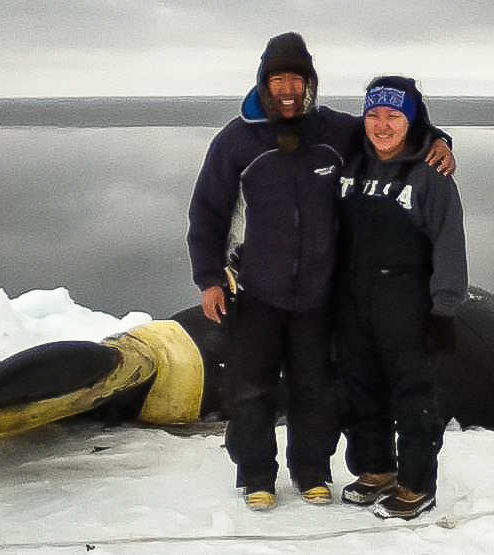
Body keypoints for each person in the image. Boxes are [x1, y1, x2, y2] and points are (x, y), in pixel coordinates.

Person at [187, 33, 455, 511]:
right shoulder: (236, 140)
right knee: (251, 390)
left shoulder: (333, 131)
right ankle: (256, 477)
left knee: (317, 389)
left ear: (309, 83)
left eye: (296, 78)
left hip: (316, 296)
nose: (288, 88)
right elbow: (208, 212)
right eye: (278, 78)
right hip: (257, 292)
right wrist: (208, 278)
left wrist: (438, 140)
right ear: (265, 83)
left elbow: (391, 130)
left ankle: (311, 471)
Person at [334, 76, 468, 520]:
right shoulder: (350, 164)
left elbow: (449, 241)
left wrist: (444, 309)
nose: (382, 125)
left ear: (412, 121)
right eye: (373, 114)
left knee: (413, 395)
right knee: (360, 389)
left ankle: (415, 485)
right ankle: (376, 470)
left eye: (394, 115)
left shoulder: (431, 175)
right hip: (352, 297)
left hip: (406, 299)